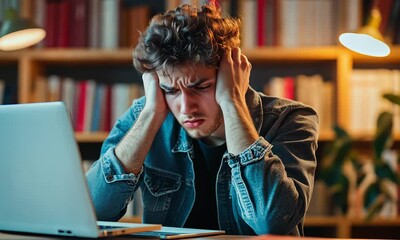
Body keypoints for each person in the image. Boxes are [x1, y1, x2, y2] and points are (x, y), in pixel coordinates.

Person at [86, 3, 318, 236]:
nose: (187, 107)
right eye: (171, 90)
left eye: (201, 87)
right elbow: (91, 212)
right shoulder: (145, 115)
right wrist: (150, 114)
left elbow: (273, 224)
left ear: (233, 75)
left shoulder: (292, 120)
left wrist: (232, 104)